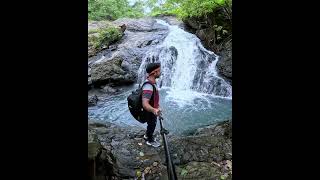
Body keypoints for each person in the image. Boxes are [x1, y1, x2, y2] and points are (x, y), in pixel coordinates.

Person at [142, 62, 162, 147]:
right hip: (150, 110)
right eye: (159, 71)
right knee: (152, 124)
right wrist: (154, 110)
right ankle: (149, 140)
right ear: (154, 73)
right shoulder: (148, 86)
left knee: (152, 123)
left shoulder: (152, 82)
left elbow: (154, 97)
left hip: (152, 109)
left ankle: (147, 135)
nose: (160, 72)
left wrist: (158, 106)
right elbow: (145, 103)